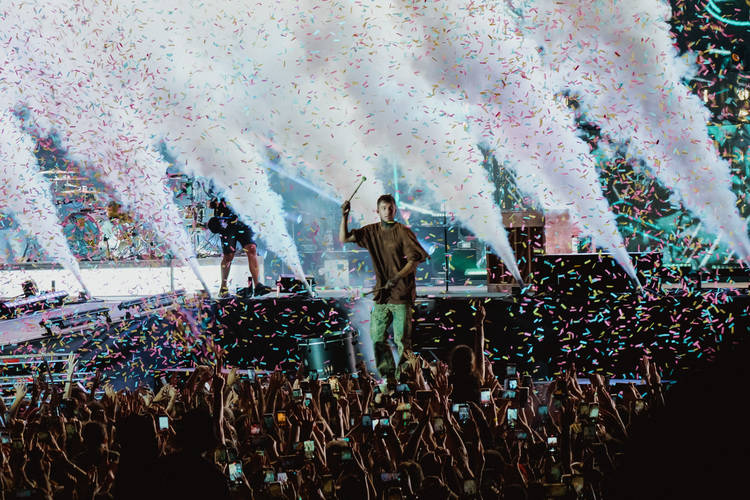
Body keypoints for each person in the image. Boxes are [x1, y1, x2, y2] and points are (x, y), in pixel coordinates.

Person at [340, 194, 428, 383]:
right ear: (378, 211)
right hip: (382, 295)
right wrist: (344, 216)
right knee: (377, 336)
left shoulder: (402, 232)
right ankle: (388, 378)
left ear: (395, 210)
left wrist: (396, 277)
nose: (387, 211)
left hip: (401, 294)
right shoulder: (371, 231)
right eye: (384, 208)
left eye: (390, 208)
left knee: (402, 341)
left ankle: (404, 380)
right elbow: (344, 238)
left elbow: (414, 260)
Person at [207, 198, 271, 297]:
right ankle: (223, 287)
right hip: (225, 223)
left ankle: (257, 285)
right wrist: (213, 204)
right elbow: (210, 203)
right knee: (228, 256)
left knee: (252, 248)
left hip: (243, 220)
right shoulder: (218, 188)